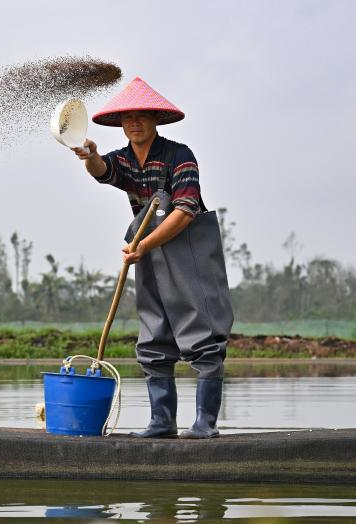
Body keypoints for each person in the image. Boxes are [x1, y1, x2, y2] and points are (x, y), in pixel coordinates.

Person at [72, 77, 233, 438]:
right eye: (127, 118)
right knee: (153, 331)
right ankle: (161, 423)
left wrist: (145, 245)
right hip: (146, 254)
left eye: (141, 117)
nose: (134, 123)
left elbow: (186, 209)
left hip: (187, 249)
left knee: (201, 330)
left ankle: (205, 426)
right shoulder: (125, 159)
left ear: (155, 120)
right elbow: (103, 172)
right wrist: (91, 156)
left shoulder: (179, 155)